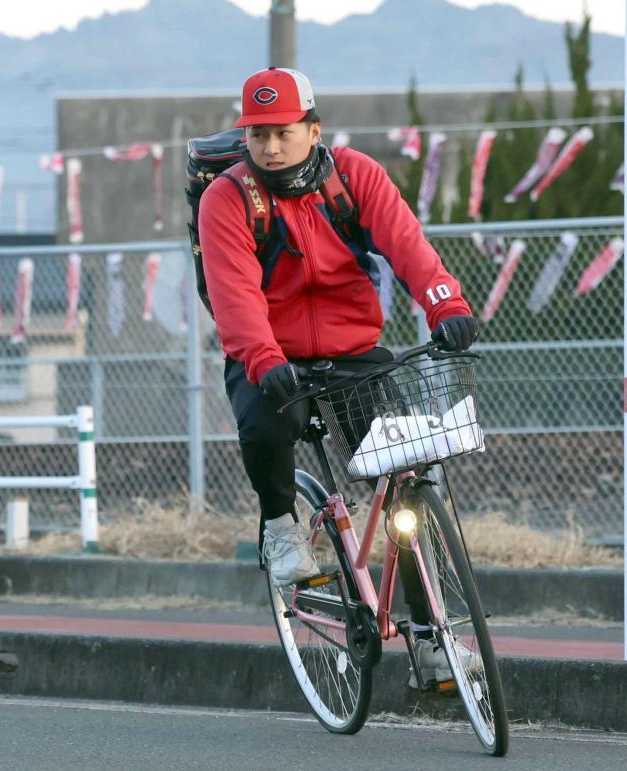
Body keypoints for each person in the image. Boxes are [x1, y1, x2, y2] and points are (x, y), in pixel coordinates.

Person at [198, 67, 479, 684]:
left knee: (406, 476)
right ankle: (280, 527)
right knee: (272, 423)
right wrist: (265, 361)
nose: (270, 147)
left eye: (284, 132)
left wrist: (445, 303)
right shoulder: (228, 197)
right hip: (269, 356)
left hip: (356, 350)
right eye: (258, 135)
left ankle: (431, 639)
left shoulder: (353, 176)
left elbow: (408, 245)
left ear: (313, 128)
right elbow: (234, 294)